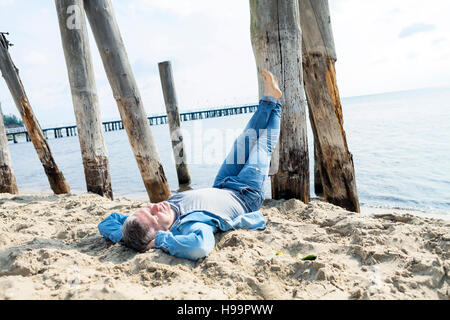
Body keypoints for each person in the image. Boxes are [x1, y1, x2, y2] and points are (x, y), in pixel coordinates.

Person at [98, 70, 282, 261]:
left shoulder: (141, 224)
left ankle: (269, 98)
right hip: (246, 195)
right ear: (163, 231)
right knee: (262, 146)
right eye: (154, 216)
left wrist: (128, 239)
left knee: (244, 140)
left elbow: (106, 223)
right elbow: (200, 247)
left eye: (148, 208)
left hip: (222, 183)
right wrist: (160, 241)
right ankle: (277, 106)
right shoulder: (189, 225)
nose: (156, 207)